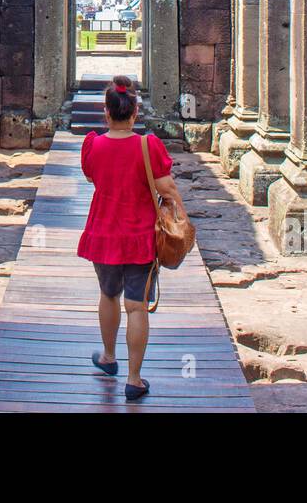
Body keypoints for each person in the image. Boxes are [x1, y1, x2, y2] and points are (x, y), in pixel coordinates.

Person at [77, 76, 186, 402]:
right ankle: (134, 379)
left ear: (106, 113)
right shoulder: (148, 145)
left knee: (108, 295)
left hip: (104, 231)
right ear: (134, 113)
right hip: (140, 234)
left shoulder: (93, 144)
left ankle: (109, 358)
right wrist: (179, 217)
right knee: (136, 307)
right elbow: (167, 188)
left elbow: (92, 175)